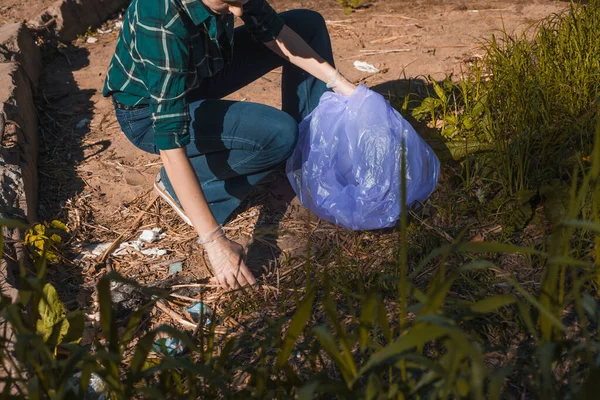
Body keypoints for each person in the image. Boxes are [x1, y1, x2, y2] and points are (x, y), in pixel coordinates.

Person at [102, 0, 356, 290]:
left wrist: (341, 84)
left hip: (202, 68)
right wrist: (214, 242)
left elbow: (273, 32)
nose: (241, 11)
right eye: (233, 3)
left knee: (306, 26)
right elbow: (170, 141)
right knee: (278, 134)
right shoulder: (159, 18)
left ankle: (305, 163)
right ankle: (188, 182)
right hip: (149, 113)